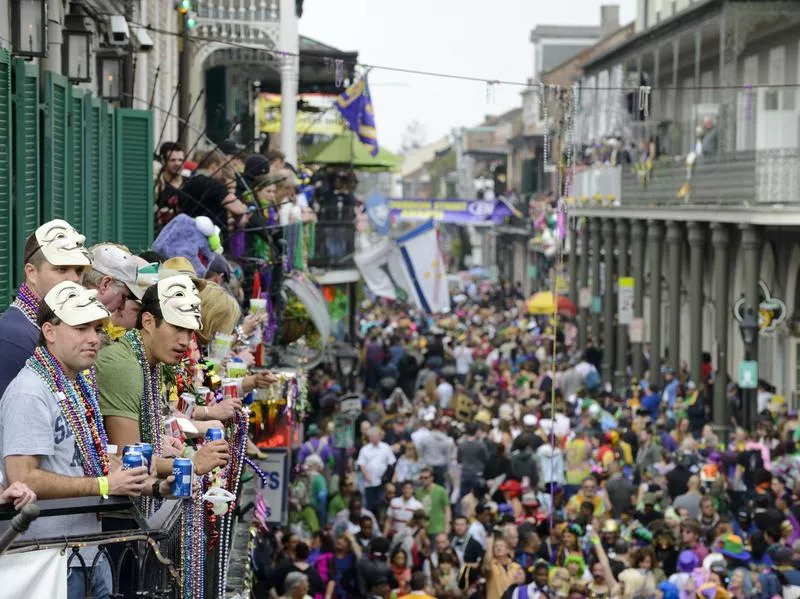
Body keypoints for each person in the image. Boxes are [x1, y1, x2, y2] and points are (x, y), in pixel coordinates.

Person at [0, 281, 161, 599]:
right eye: (81, 328)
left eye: (97, 328)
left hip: (87, 554)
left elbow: (89, 459)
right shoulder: (30, 392)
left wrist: (151, 484)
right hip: (49, 562)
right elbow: (24, 478)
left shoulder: (77, 383)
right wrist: (104, 486)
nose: (94, 339)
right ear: (49, 331)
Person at [95, 276, 230, 482]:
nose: (185, 341)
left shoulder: (151, 361)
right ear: (148, 322)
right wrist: (192, 463)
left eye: (189, 331)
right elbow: (129, 460)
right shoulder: (124, 366)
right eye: (177, 327)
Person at [0, 219, 91, 396]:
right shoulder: (11, 336)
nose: (74, 279)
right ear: (32, 273)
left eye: (79, 271)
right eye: (62, 269)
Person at [356, 427, 396, 515]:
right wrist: (366, 475)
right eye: (372, 436)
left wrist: (388, 477)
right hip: (369, 483)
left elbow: (391, 462)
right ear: (369, 437)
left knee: (382, 504)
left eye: (376, 436)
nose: (374, 438)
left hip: (383, 482)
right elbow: (361, 464)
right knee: (370, 505)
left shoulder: (385, 447)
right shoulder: (364, 449)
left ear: (380, 436)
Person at [483, 535, 524, 599]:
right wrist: (489, 545)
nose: (498, 548)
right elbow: (487, 566)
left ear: (508, 550)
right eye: (495, 546)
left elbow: (521, 585)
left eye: (501, 546)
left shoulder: (516, 567)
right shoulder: (491, 565)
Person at [415, 467, 451, 539]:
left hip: (438, 529)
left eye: (426, 478)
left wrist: (447, 527)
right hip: (423, 530)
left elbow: (447, 509)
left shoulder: (441, 491)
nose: (423, 480)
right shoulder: (418, 492)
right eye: (421, 478)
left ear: (432, 478)